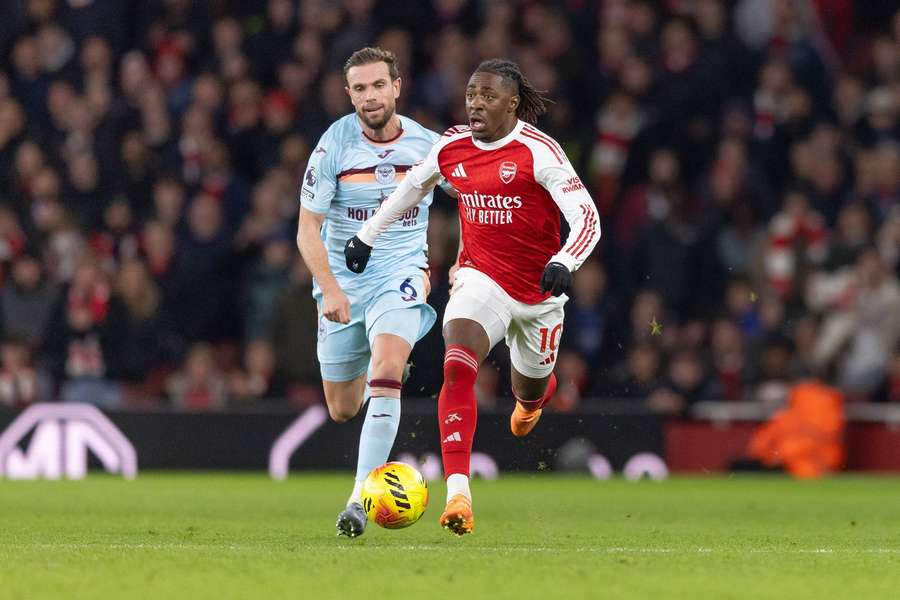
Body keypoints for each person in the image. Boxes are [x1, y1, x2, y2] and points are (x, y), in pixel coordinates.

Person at [345, 59, 601, 535]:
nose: (476, 103)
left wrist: (567, 260)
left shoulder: (538, 152)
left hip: (539, 294)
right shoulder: (451, 146)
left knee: (529, 390)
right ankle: (458, 493)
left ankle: (533, 398)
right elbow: (410, 188)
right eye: (471, 94)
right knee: (457, 362)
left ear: (512, 103)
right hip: (481, 279)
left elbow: (587, 216)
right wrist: (366, 236)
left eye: (487, 96)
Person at [296, 47, 439, 538]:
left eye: (379, 85)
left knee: (388, 368)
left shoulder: (428, 146)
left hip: (399, 273)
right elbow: (306, 230)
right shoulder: (333, 144)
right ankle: (371, 386)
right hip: (342, 287)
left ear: (397, 87)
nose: (371, 96)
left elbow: (477, 198)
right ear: (349, 94)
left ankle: (358, 500)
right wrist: (330, 291)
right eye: (360, 88)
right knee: (342, 408)